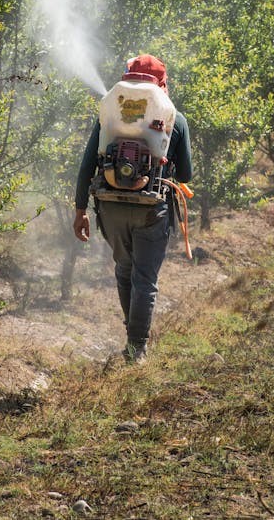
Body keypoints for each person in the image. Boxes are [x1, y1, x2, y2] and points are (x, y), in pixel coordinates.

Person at [73, 54, 193, 363]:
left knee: (124, 271)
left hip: (109, 205)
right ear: (161, 83)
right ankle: (136, 348)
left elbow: (87, 165)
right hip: (151, 208)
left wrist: (79, 210)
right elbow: (187, 176)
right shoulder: (174, 118)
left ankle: (132, 342)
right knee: (145, 279)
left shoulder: (109, 114)